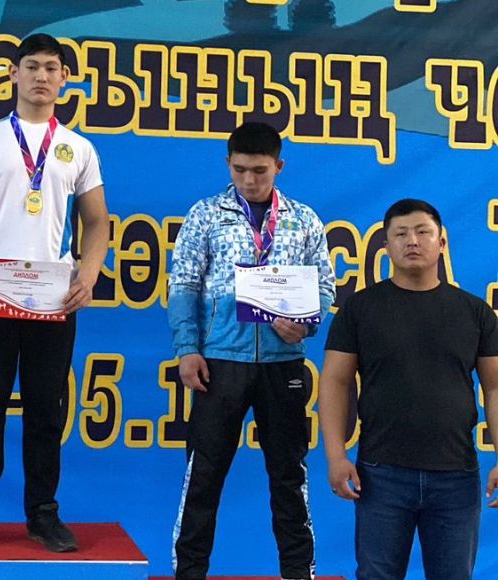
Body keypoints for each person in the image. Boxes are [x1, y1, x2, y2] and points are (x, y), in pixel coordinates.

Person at [0, 33, 109, 554]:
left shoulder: (79, 148)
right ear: (13, 74)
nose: (41, 76)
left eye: (51, 68)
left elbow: (97, 221)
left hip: (54, 299)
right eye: (31, 66)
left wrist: (88, 274)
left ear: (65, 79)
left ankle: (43, 512)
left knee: (47, 408)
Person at [168, 122, 335, 580]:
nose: (248, 180)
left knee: (290, 476)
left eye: (259, 171)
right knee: (203, 475)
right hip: (220, 361)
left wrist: (305, 323)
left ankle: (299, 574)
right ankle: (189, 574)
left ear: (279, 166)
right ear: (228, 164)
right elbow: (183, 285)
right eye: (239, 169)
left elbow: (324, 286)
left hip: (284, 364)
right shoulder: (206, 214)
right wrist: (187, 349)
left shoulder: (304, 219)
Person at [319, 198, 498, 580]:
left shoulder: (474, 312)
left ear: (442, 242)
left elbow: (495, 388)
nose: (412, 241)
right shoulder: (359, 309)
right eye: (400, 234)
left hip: (455, 476)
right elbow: (335, 381)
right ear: (386, 246)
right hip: (381, 474)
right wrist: (335, 456)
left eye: (422, 232)